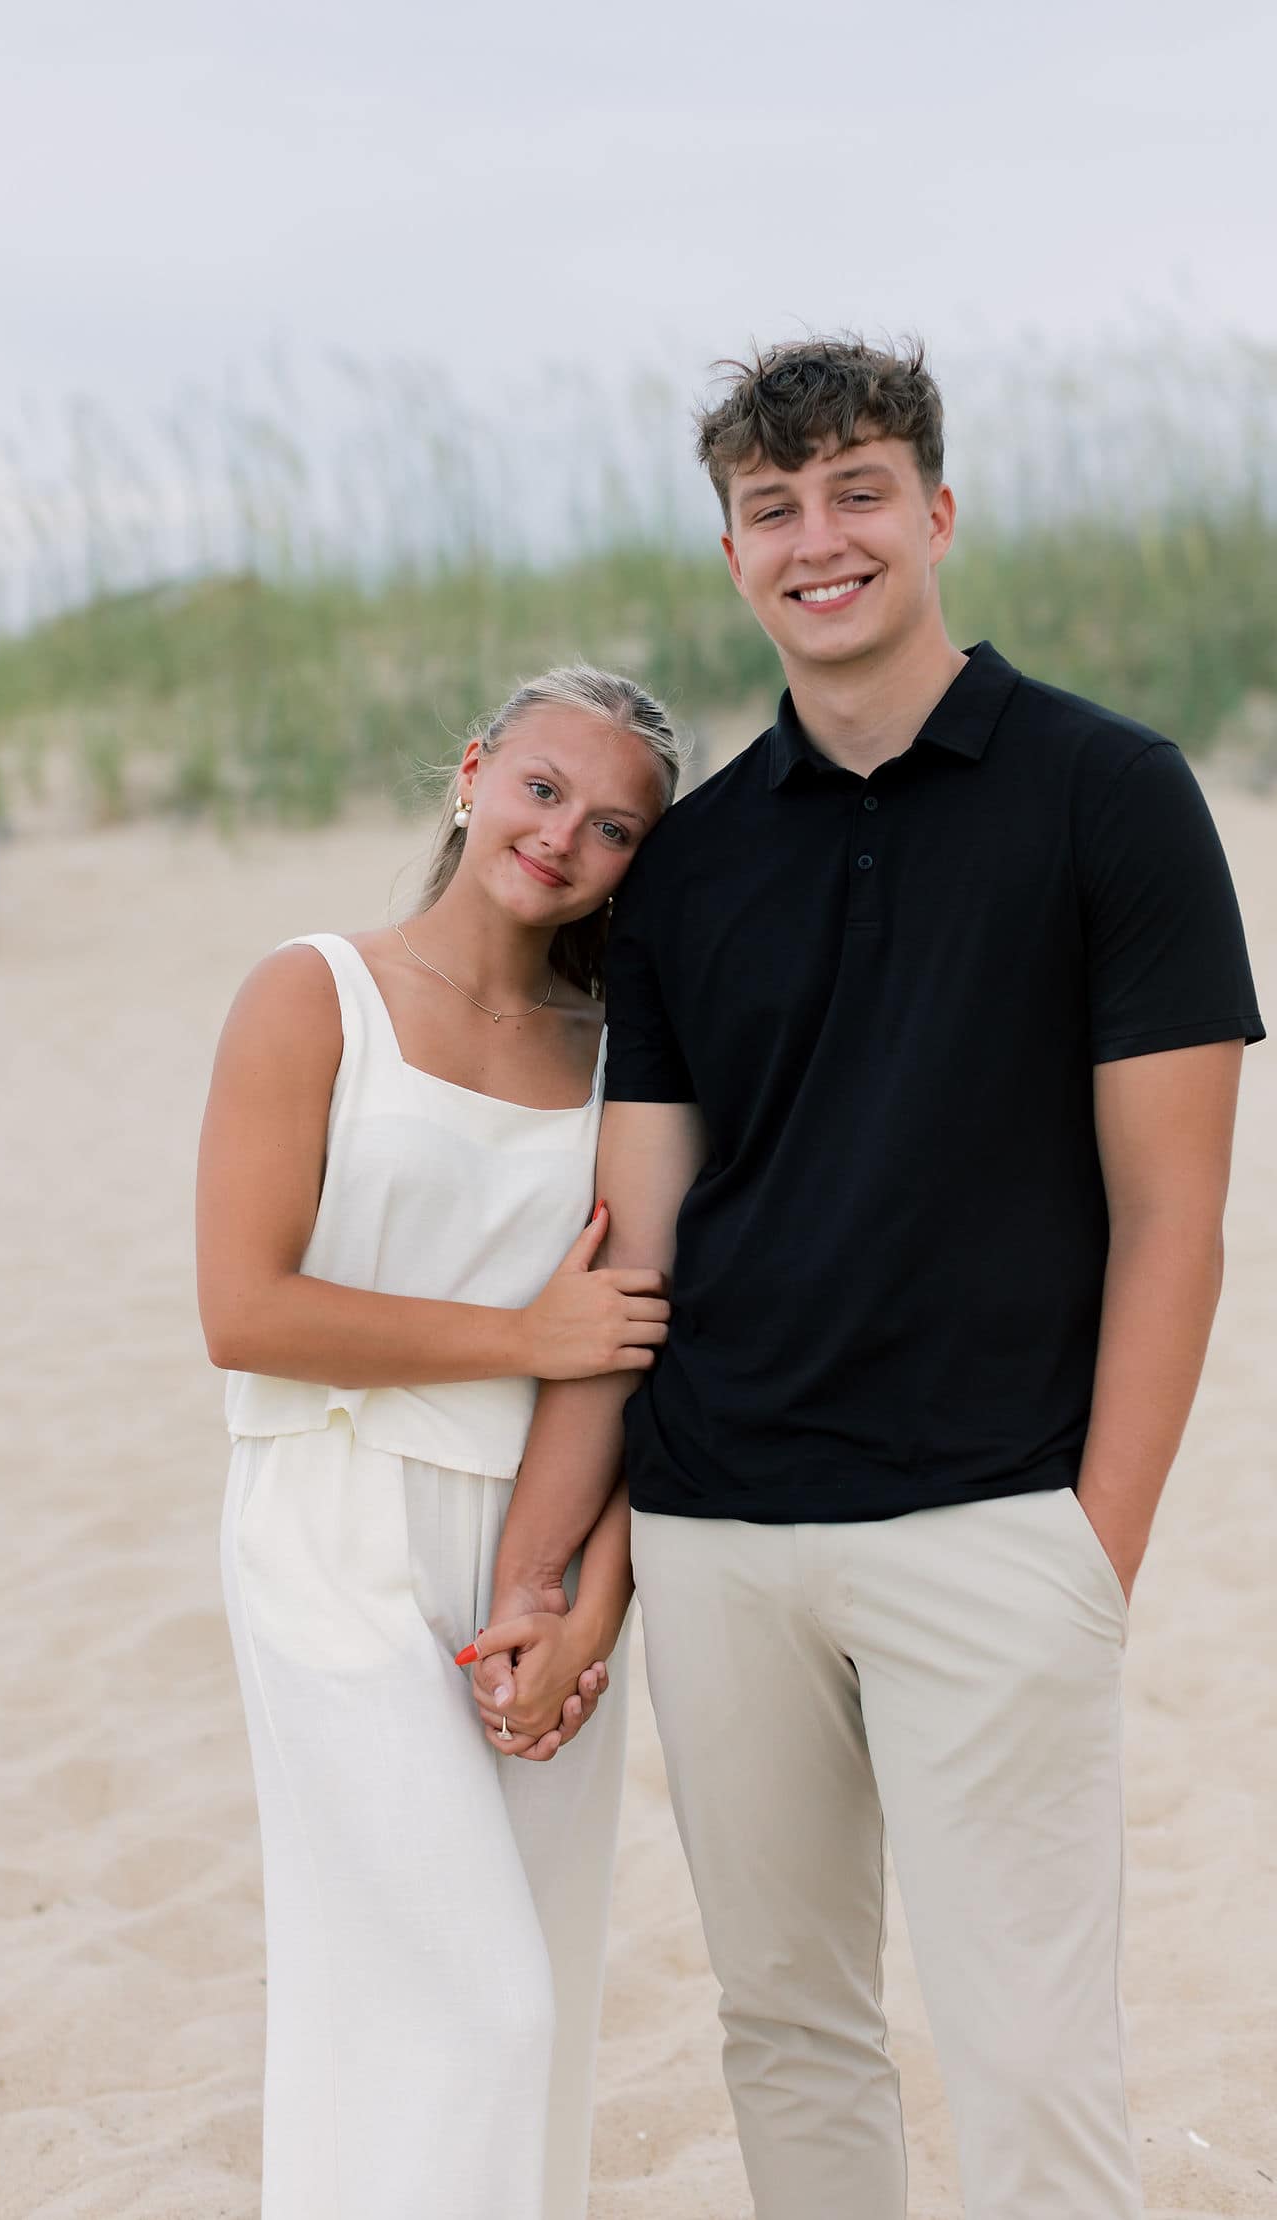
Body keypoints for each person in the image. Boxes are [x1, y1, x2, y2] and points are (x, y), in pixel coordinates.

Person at [470, 338, 1265, 2218]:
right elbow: (637, 1245)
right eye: (772, 509)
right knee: (789, 2031)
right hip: (728, 1529)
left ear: (935, 512)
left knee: (1030, 2053)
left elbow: (1177, 1215)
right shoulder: (689, 864)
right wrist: (562, 1560)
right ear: (735, 553)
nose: (816, 539)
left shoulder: (1114, 795)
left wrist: (1098, 1549)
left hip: (998, 1523)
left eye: (855, 494)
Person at [196, 665, 682, 2220]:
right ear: (473, 773)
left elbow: (628, 1357)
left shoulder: (619, 1054)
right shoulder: (312, 989)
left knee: (509, 2012)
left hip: (533, 1563)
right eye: (542, 789)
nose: (563, 839)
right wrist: (512, 1340)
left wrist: (586, 1598)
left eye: (613, 827)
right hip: (333, 1530)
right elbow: (243, 1307)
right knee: (478, 2002)